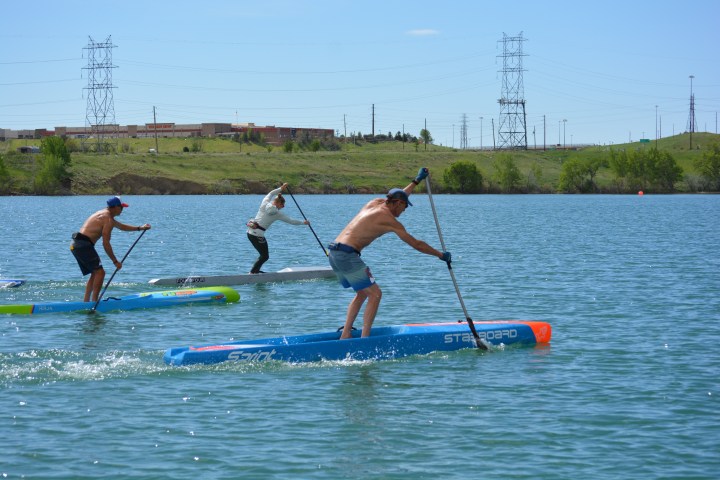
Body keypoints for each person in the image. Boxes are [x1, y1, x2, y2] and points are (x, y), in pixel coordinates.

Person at [328, 167, 451, 339]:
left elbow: (401, 194)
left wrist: (417, 180)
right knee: (376, 294)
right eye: (405, 206)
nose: (405, 209)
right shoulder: (389, 220)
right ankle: (365, 339)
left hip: (334, 252)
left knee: (363, 293)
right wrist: (440, 255)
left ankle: (346, 334)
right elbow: (416, 244)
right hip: (347, 255)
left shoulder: (375, 203)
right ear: (398, 203)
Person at [70, 196, 151, 302]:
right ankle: (95, 302)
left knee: (95, 273)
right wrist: (115, 261)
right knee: (100, 272)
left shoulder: (104, 214)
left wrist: (139, 228)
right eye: (121, 207)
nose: (122, 210)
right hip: (84, 245)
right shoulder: (108, 219)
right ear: (116, 207)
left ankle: (86, 302)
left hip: (75, 245)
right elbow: (106, 243)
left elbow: (121, 226)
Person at [247, 183, 309, 274]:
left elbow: (271, 194)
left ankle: (255, 271)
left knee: (263, 256)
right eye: (282, 205)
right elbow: (291, 221)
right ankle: (253, 273)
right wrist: (303, 222)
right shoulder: (277, 214)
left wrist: (280, 188)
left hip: (249, 233)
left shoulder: (265, 202)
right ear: (279, 203)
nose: (283, 207)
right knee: (265, 256)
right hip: (257, 235)